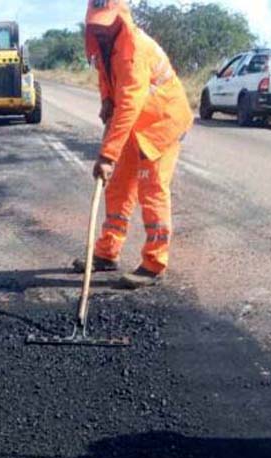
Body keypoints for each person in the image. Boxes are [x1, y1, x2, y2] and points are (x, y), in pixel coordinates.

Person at [73, 0, 194, 288]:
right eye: (96, 23)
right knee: (118, 186)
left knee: (151, 189)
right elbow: (106, 74)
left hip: (162, 122)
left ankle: (154, 263)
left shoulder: (135, 50)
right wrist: (106, 99)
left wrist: (107, 156)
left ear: (122, 18)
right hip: (138, 122)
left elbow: (129, 104)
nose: (101, 29)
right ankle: (107, 252)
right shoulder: (106, 43)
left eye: (107, 22)